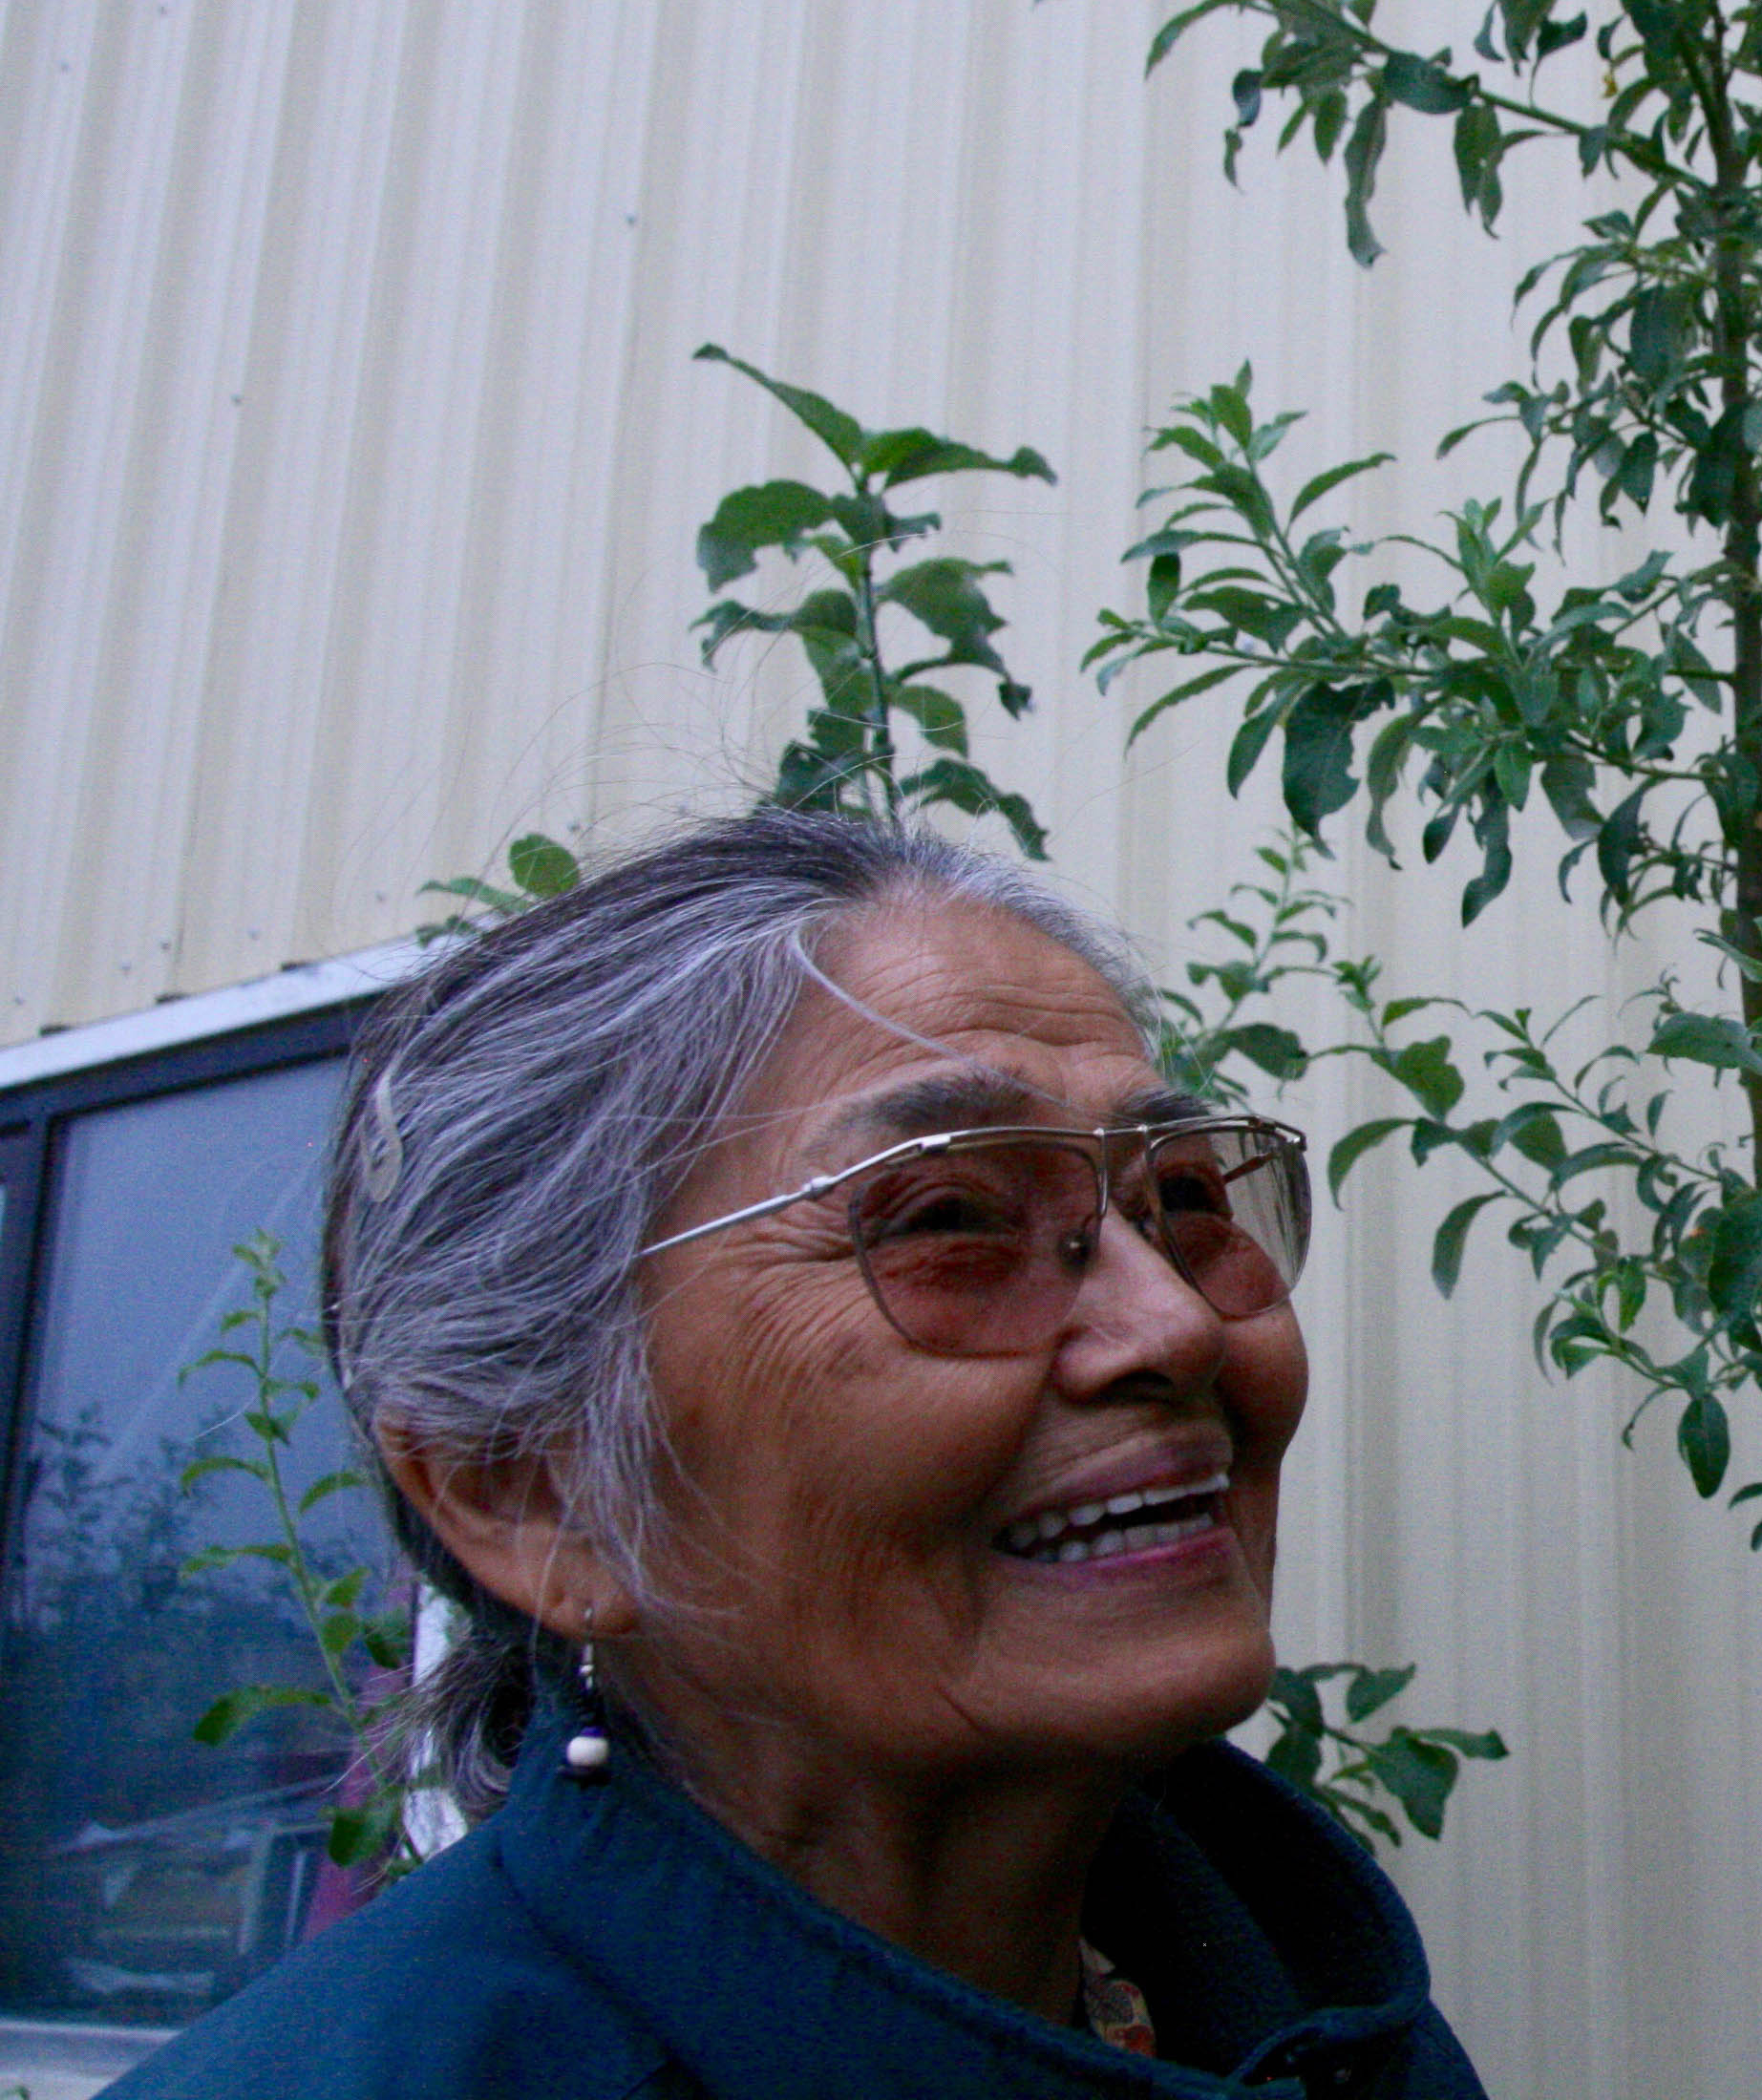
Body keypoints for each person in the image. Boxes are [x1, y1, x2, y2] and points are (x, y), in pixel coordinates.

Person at [113, 810, 1489, 2098]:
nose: (1176, 1323)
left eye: (1182, 1197)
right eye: (951, 1217)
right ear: (529, 1487)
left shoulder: (1325, 2026)